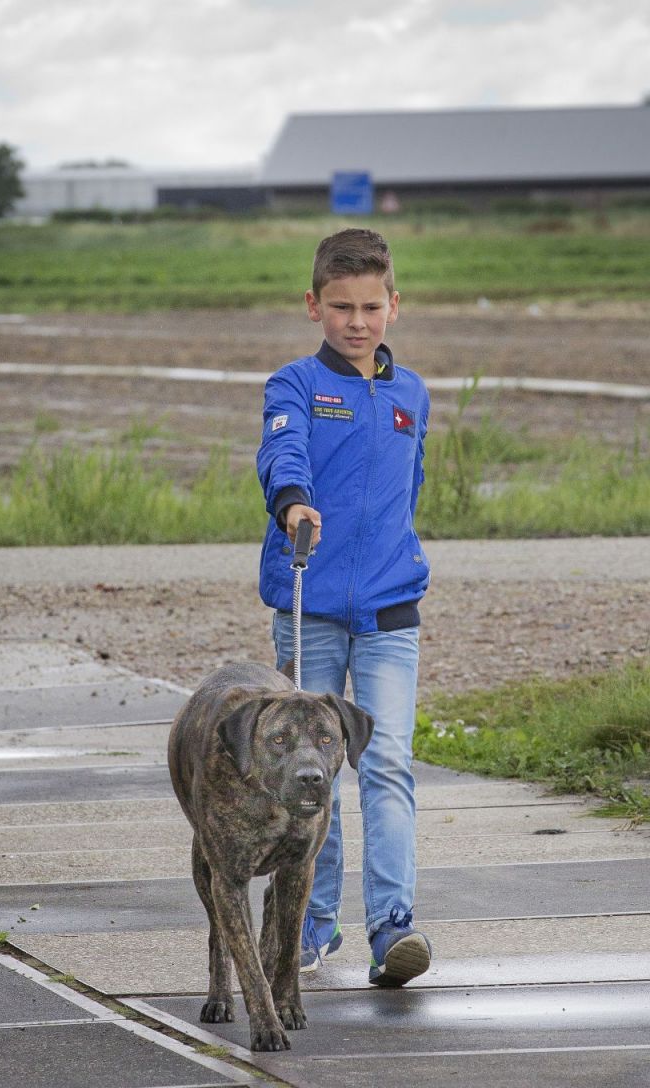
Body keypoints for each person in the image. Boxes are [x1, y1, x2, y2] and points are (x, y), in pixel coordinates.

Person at [256, 227, 431, 988]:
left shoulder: (411, 393)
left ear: (394, 305)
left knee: (388, 762)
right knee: (310, 772)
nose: (357, 321)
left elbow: (407, 489)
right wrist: (293, 502)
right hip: (311, 608)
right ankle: (307, 924)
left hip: (392, 610)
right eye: (340, 307)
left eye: (370, 306)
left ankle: (393, 930)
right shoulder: (294, 386)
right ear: (313, 306)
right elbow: (281, 454)